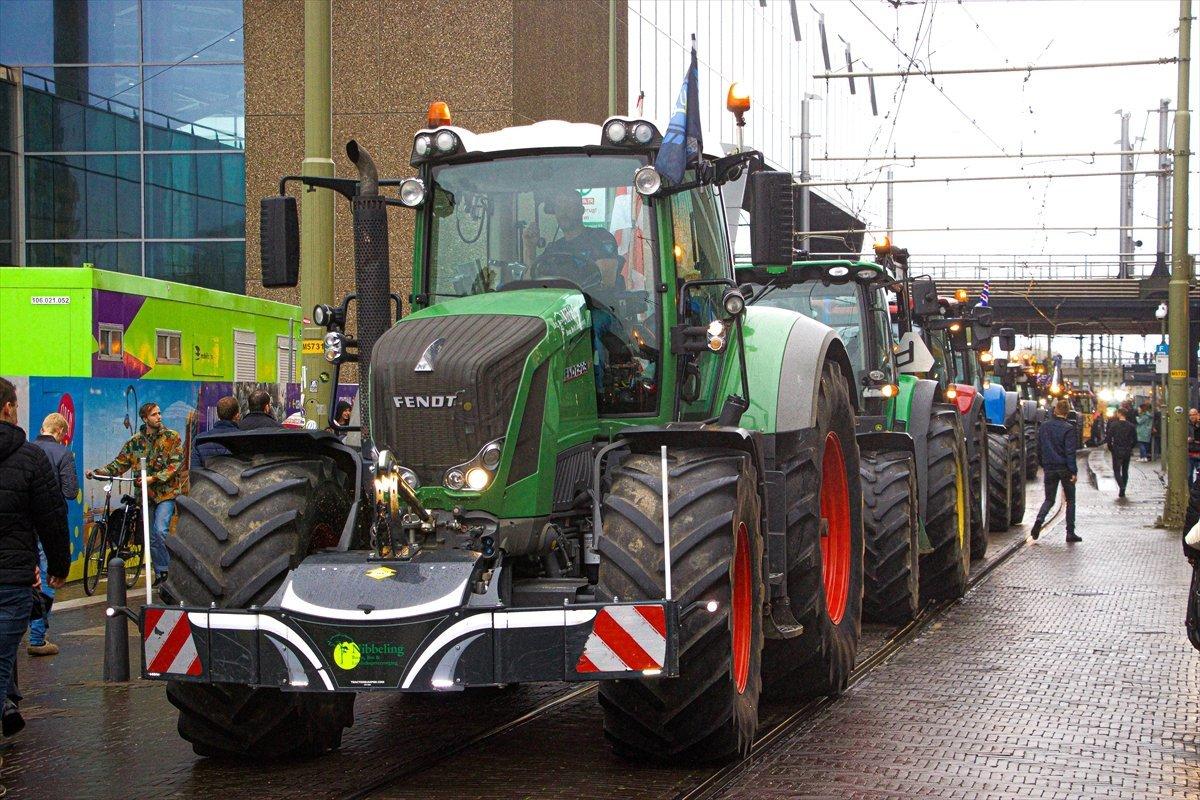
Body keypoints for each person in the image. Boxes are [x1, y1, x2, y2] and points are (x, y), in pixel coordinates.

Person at [0, 378, 70, 744]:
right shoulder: (30, 458)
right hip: (11, 581)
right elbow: (52, 517)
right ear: (9, 408)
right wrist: (59, 566)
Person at [87, 402, 184, 587]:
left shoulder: (172, 438)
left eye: (159, 413)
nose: (159, 417)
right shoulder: (134, 442)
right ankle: (161, 572)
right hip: (145, 496)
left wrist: (153, 478)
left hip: (166, 494)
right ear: (145, 418)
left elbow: (175, 464)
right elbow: (118, 464)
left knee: (160, 531)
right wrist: (98, 473)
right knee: (149, 536)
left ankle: (170, 572)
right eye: (154, 414)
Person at [28, 413, 77, 657]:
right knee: (49, 577)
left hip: (25, 525)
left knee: (26, 575)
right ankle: (37, 637)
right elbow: (70, 491)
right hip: (50, 524)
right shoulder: (64, 454)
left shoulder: (26, 450)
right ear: (59, 432)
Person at [522, 190, 620, 291]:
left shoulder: (600, 238)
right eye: (559, 207)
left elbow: (606, 282)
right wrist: (529, 247)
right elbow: (530, 284)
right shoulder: (554, 249)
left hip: (592, 303)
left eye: (569, 207)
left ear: (581, 210)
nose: (564, 212)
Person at [1030, 398, 1081, 543]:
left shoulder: (1044, 427)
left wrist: (1043, 463)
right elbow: (1070, 452)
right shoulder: (1069, 428)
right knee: (1070, 500)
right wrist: (1073, 472)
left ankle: (1038, 521)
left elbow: (1038, 447)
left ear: (1055, 410)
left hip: (1050, 467)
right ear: (1067, 412)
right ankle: (1070, 533)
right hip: (1064, 468)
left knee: (1049, 499)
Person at [192, 396, 239, 468]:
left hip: (206, 479)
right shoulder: (246, 438)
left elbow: (195, 471)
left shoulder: (199, 439)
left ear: (218, 415)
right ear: (237, 415)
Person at [1105, 408, 1137, 499]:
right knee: (1125, 470)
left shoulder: (1114, 425)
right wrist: (1130, 448)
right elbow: (1135, 440)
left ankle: (1121, 486)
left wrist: (1111, 448)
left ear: (1119, 414)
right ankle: (1123, 489)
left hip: (1116, 450)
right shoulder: (1131, 426)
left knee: (1116, 470)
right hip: (1127, 450)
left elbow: (1109, 438)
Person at [1189, 408, 1200, 484]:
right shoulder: (1186, 425)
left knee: (1198, 474)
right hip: (1189, 453)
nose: (1192, 416)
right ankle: (1190, 491)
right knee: (1189, 475)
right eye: (1190, 415)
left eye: (1194, 414)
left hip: (1198, 453)